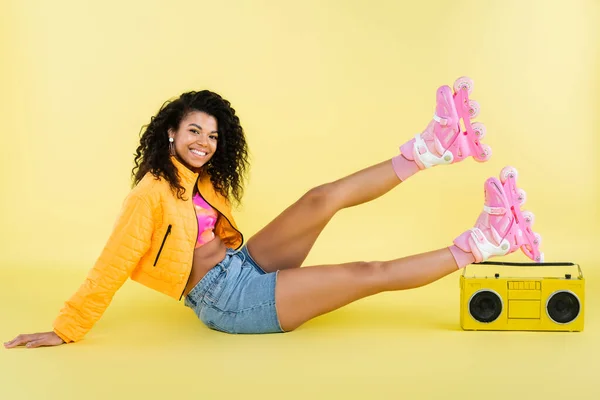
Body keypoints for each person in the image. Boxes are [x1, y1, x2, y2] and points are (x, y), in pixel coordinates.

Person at [4, 78, 543, 349]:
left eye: (212, 135)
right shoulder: (148, 194)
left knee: (319, 198)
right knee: (365, 274)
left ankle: (435, 146)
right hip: (229, 302)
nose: (204, 142)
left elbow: (216, 229)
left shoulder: (199, 179)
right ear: (170, 132)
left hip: (241, 267)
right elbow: (113, 262)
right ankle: (485, 241)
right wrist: (66, 329)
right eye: (194, 131)